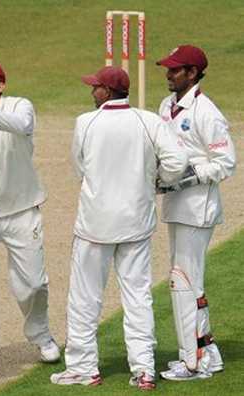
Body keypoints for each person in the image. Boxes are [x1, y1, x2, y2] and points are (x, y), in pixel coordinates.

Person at [50, 66, 187, 390]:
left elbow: (78, 168)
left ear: (107, 92)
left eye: (95, 86)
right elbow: (177, 163)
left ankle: (84, 367)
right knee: (138, 296)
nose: (91, 91)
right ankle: (144, 370)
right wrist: (159, 181)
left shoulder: (86, 122)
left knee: (85, 298)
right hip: (136, 223)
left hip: (95, 225)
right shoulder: (148, 120)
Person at [0, 62, 60, 370]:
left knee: (32, 284)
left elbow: (20, 125)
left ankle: (41, 334)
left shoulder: (20, 105)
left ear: (1, 85)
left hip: (21, 211)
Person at [155, 45, 237, 381]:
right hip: (176, 206)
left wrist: (187, 178)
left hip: (197, 208)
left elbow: (226, 162)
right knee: (187, 281)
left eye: (176, 69)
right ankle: (206, 354)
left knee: (185, 282)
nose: (168, 73)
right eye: (168, 68)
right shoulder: (166, 106)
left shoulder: (206, 111)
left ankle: (195, 361)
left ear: (192, 73)